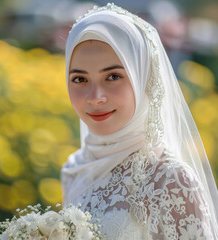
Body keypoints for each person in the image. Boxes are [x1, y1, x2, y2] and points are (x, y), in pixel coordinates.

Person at [62, 3, 218, 239]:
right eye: (79, 79)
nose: (95, 98)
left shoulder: (171, 180)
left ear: (143, 78)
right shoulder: (75, 168)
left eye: (113, 76)